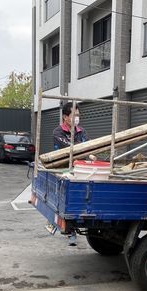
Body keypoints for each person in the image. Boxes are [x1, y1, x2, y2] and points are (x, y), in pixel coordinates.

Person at [52, 102, 89, 245]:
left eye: (78, 115)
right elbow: (68, 150)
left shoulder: (82, 131)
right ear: (65, 117)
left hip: (80, 168)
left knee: (81, 197)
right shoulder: (58, 132)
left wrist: (89, 154)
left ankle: (75, 225)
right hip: (64, 169)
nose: (77, 118)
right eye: (74, 115)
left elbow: (89, 146)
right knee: (68, 199)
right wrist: (84, 150)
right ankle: (70, 230)